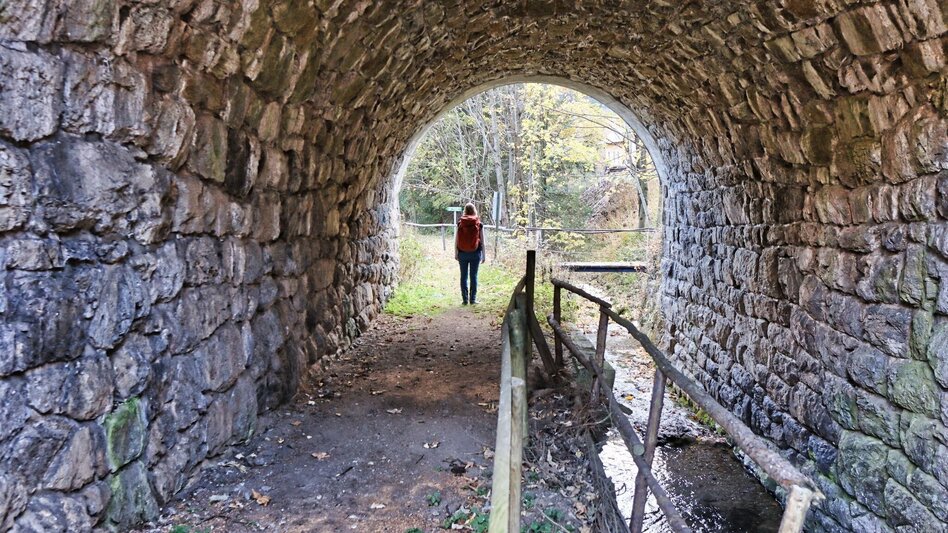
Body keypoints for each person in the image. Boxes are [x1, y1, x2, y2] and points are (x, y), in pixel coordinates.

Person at [455, 202, 485, 305]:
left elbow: (457, 239)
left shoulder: (460, 223)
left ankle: (464, 299)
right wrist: (484, 255)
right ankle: (472, 299)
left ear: (465, 211)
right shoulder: (478, 223)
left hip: (462, 253)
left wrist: (456, 252)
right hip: (475, 253)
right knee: (474, 276)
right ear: (474, 210)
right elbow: (482, 240)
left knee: (463, 276)